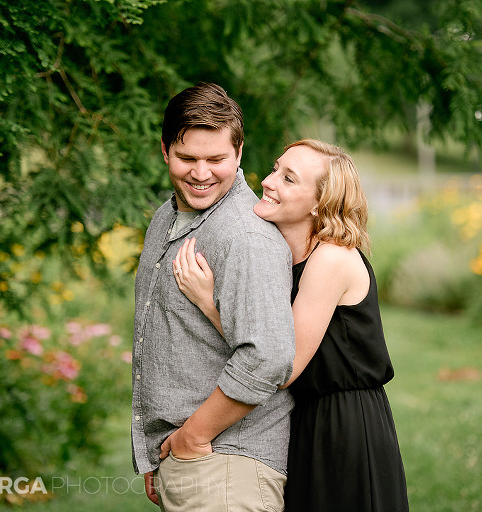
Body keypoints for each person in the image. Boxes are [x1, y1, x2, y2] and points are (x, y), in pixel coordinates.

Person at [174, 139, 410, 512]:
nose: (268, 181)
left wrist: (209, 303)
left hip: (345, 425)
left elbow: (282, 364)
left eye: (289, 179)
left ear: (319, 202)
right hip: (304, 419)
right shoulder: (282, 254)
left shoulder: (331, 258)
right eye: (275, 169)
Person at [131, 82, 296, 512]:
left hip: (227, 467)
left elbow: (269, 356)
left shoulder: (244, 236)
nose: (201, 173)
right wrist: (159, 450)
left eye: (216, 159)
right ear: (165, 150)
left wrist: (191, 437)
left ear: (239, 154)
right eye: (187, 158)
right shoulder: (167, 217)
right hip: (191, 462)